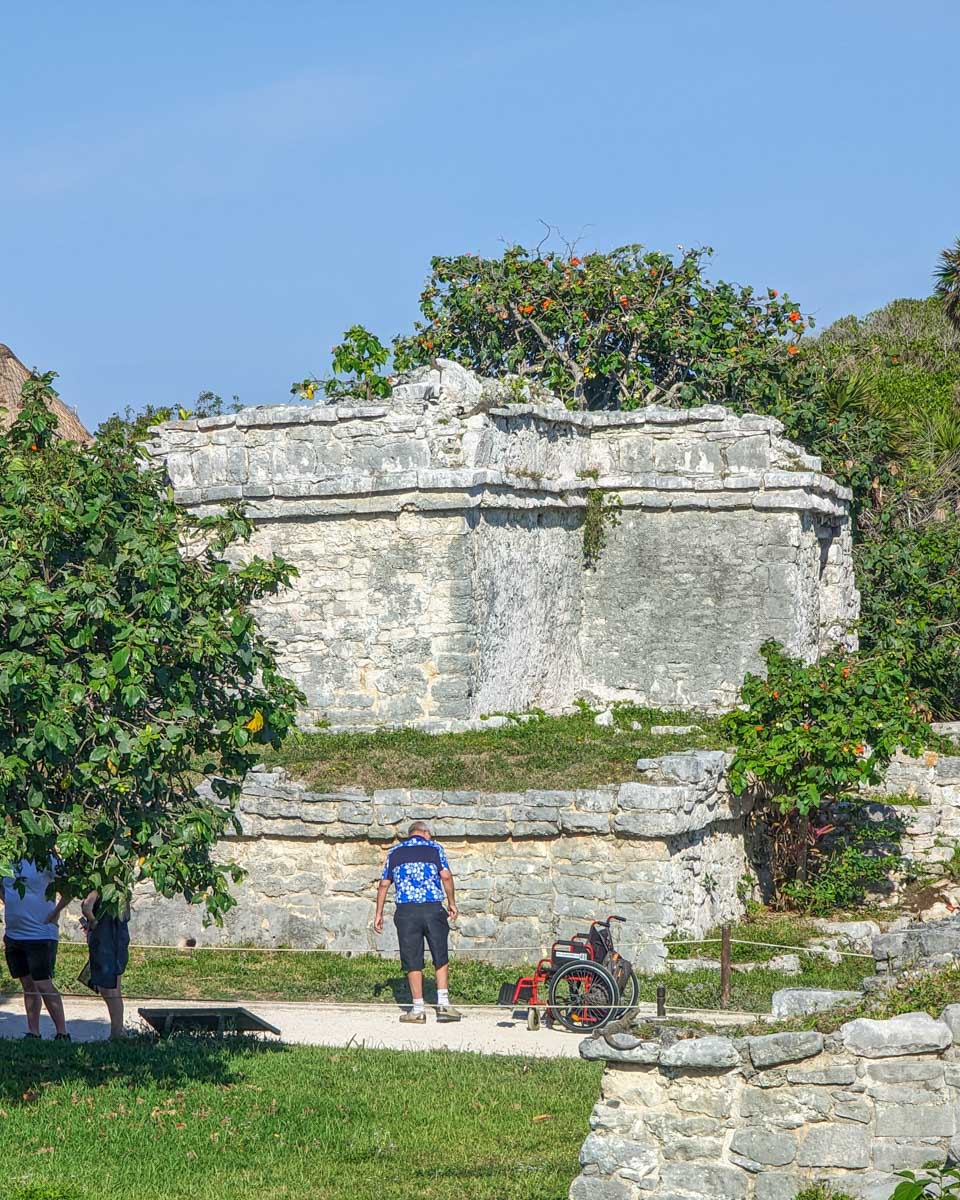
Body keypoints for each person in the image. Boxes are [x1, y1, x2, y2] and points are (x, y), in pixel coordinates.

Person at [373, 820, 461, 1024]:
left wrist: (378, 913)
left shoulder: (395, 852)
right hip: (432, 908)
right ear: (425, 833)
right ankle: (444, 1005)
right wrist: (452, 902)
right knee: (440, 953)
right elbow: (446, 877)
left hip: (407, 911)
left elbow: (384, 884)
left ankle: (418, 1009)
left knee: (412, 958)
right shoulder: (435, 848)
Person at [1, 856, 70, 1040]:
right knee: (28, 984)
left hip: (40, 933)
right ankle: (33, 1032)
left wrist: (55, 914)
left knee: (43, 983)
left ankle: (62, 1033)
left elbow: (70, 888)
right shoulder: (7, 857)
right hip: (14, 933)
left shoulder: (46, 857)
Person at [80, 889, 131, 1039]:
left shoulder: (100, 886)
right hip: (116, 936)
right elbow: (126, 914)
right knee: (112, 986)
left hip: (106, 938)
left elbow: (86, 906)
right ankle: (117, 1031)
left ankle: (117, 1033)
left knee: (109, 988)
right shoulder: (120, 890)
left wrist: (93, 921)